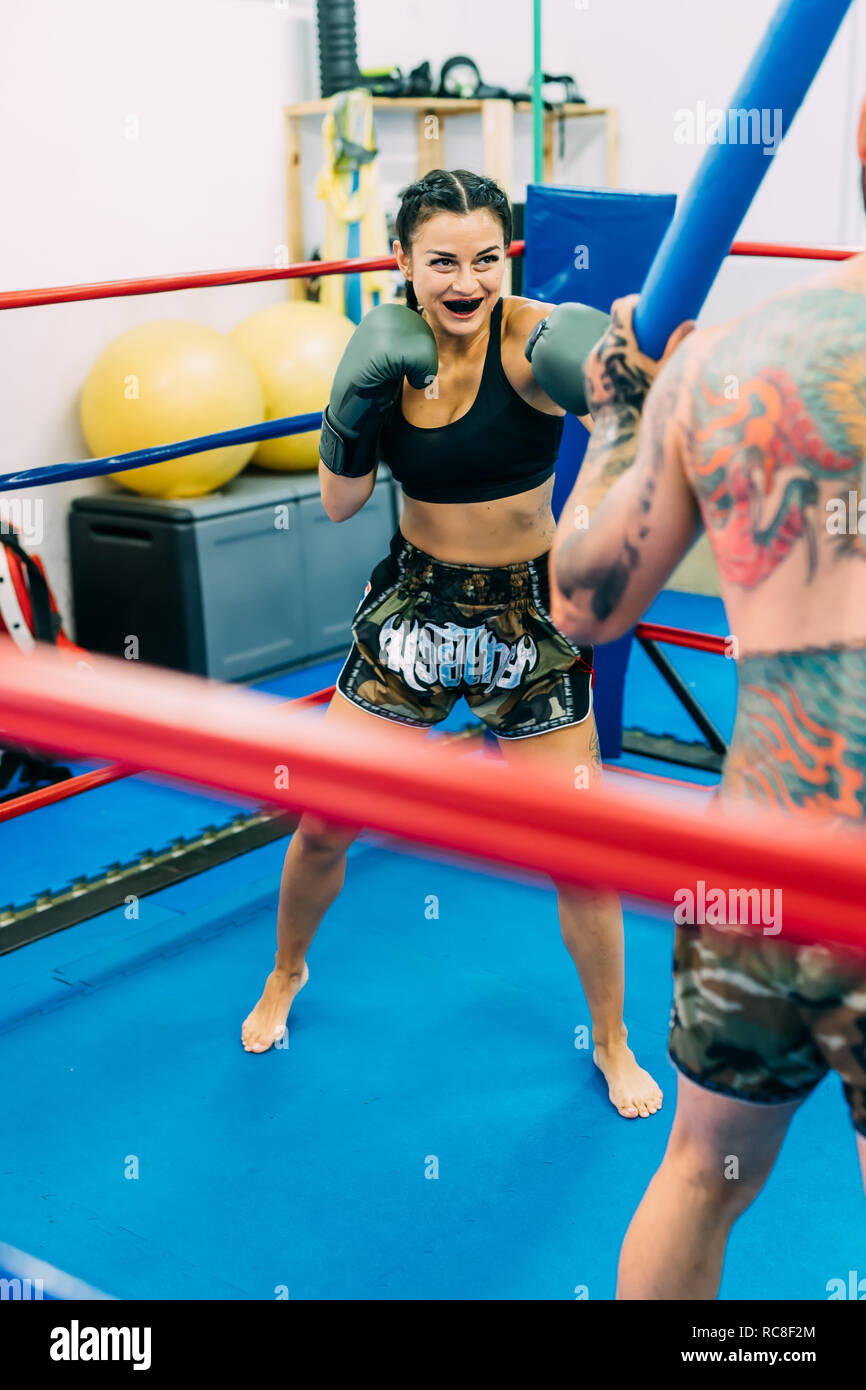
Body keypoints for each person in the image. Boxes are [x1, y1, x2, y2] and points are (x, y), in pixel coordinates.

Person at [242, 168, 664, 1121]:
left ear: (506, 257)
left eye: (485, 258)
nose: (465, 280)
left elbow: (634, 421)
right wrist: (354, 404)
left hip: (529, 614)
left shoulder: (538, 339)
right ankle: (287, 972)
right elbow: (341, 502)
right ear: (404, 264)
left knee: (580, 851)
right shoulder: (385, 348)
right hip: (416, 609)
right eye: (441, 262)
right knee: (321, 822)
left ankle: (611, 1041)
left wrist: (597, 460)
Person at [548, 101, 866, 1297]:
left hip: (757, 867)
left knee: (699, 1172)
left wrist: (622, 414)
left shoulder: (727, 359)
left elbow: (579, 605)